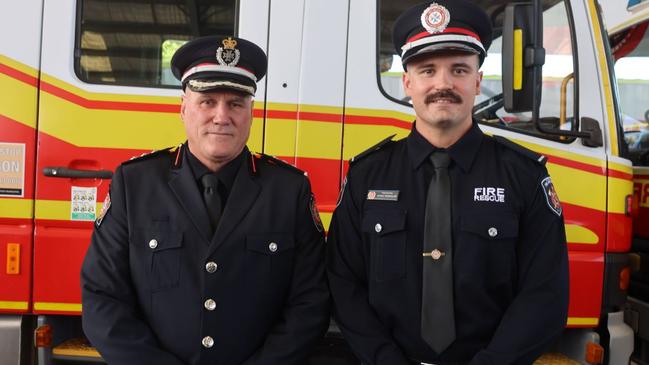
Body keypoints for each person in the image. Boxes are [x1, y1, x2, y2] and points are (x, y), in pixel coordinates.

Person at [326, 1, 569, 364]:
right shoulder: (366, 175)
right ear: (408, 83)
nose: (443, 84)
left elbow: (545, 293)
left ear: (477, 81)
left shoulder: (523, 176)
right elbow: (343, 283)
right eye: (427, 71)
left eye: (458, 69)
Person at [81, 35, 330, 365]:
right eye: (207, 101)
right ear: (184, 108)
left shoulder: (288, 190)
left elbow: (310, 303)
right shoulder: (135, 183)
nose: (222, 116)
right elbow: (103, 296)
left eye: (236, 103)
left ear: (251, 112)